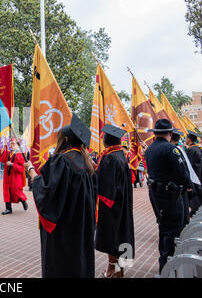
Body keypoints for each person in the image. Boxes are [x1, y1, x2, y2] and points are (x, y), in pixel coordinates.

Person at [25, 114, 96, 278]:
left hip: (64, 228)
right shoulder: (87, 163)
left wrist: (31, 170)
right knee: (79, 263)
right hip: (82, 225)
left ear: (63, 140)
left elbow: (47, 191)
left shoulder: (62, 161)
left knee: (61, 266)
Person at [145, 119, 192, 274]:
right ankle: (169, 267)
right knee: (173, 231)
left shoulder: (150, 149)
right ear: (170, 133)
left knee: (163, 229)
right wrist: (188, 187)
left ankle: (163, 263)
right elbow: (183, 174)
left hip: (156, 195)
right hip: (170, 196)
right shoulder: (171, 149)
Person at [95, 125, 135, 278]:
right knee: (122, 234)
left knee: (112, 237)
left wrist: (95, 175)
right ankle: (120, 269)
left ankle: (112, 269)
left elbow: (106, 184)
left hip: (111, 205)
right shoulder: (119, 155)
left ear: (107, 140)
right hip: (121, 202)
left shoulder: (110, 157)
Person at [0, 137, 28, 215]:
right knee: (6, 191)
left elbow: (21, 168)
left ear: (17, 145)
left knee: (16, 191)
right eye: (11, 143)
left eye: (13, 143)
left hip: (16, 176)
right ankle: (8, 209)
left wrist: (12, 164)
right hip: (7, 176)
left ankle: (23, 200)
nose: (12, 145)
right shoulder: (8, 153)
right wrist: (3, 147)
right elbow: (1, 158)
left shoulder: (19, 154)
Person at [185, 130, 202, 216]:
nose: (185, 139)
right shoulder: (196, 149)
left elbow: (188, 164)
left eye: (186, 138)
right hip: (197, 173)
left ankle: (195, 210)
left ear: (189, 140)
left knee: (195, 192)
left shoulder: (192, 150)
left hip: (194, 175)